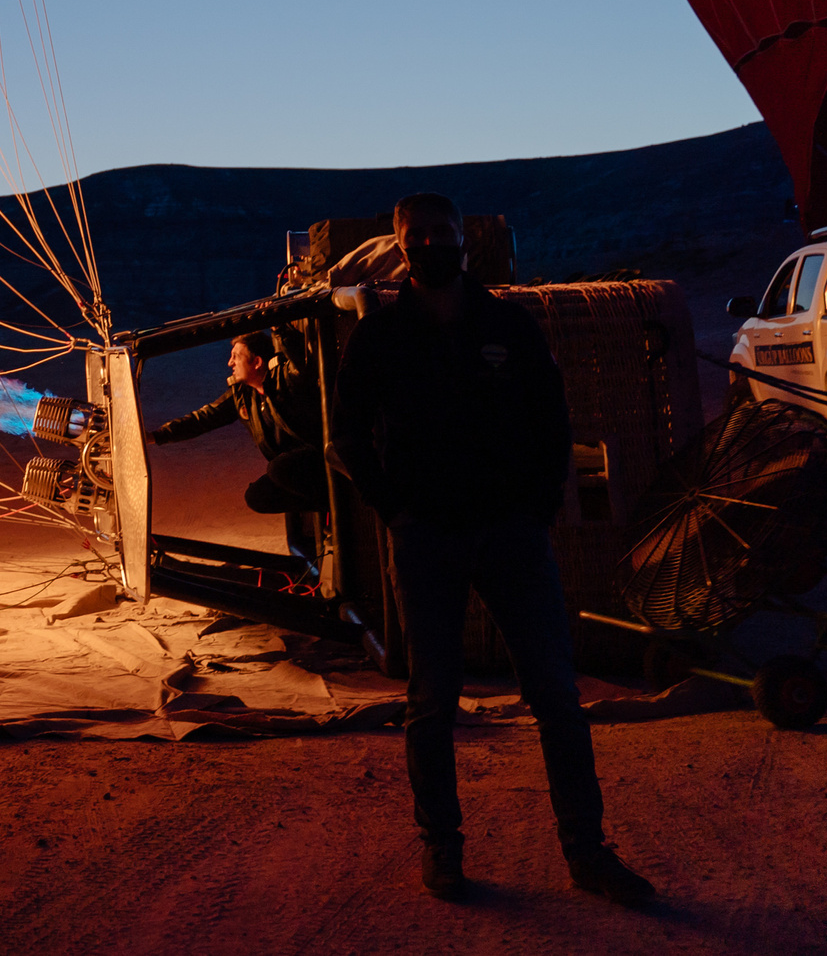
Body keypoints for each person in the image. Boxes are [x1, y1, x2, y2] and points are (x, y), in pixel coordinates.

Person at [330, 192, 655, 907]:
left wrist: (538, 507)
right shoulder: (380, 338)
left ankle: (586, 850)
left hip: (512, 533)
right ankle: (441, 848)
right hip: (428, 539)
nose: (432, 244)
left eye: (442, 233)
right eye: (418, 236)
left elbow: (551, 416)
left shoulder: (507, 323)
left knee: (556, 697)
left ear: (464, 242)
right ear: (400, 246)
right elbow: (345, 437)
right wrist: (397, 511)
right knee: (432, 700)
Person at [147, 330, 327, 519]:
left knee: (279, 468)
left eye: (236, 357)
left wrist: (279, 326)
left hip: (318, 457)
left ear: (256, 362)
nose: (230, 363)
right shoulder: (242, 395)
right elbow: (203, 419)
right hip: (291, 468)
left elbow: (301, 359)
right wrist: (156, 436)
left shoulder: (286, 378)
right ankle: (329, 508)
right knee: (257, 496)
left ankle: (341, 501)